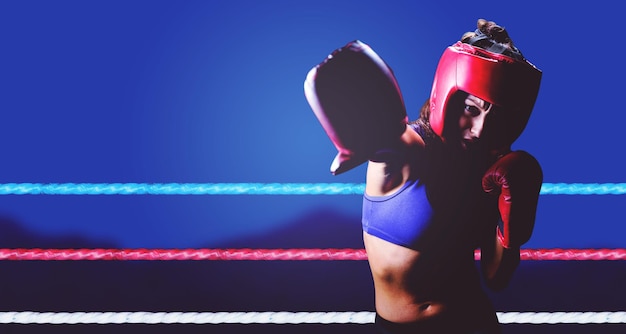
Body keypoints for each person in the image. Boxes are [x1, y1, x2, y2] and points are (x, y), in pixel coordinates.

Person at [304, 19, 543, 333]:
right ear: (447, 94)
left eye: (494, 115)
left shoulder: (490, 169)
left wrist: (514, 226)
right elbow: (379, 131)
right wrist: (345, 74)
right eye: (471, 109)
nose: (479, 129)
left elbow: (496, 279)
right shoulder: (405, 150)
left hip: (472, 323)